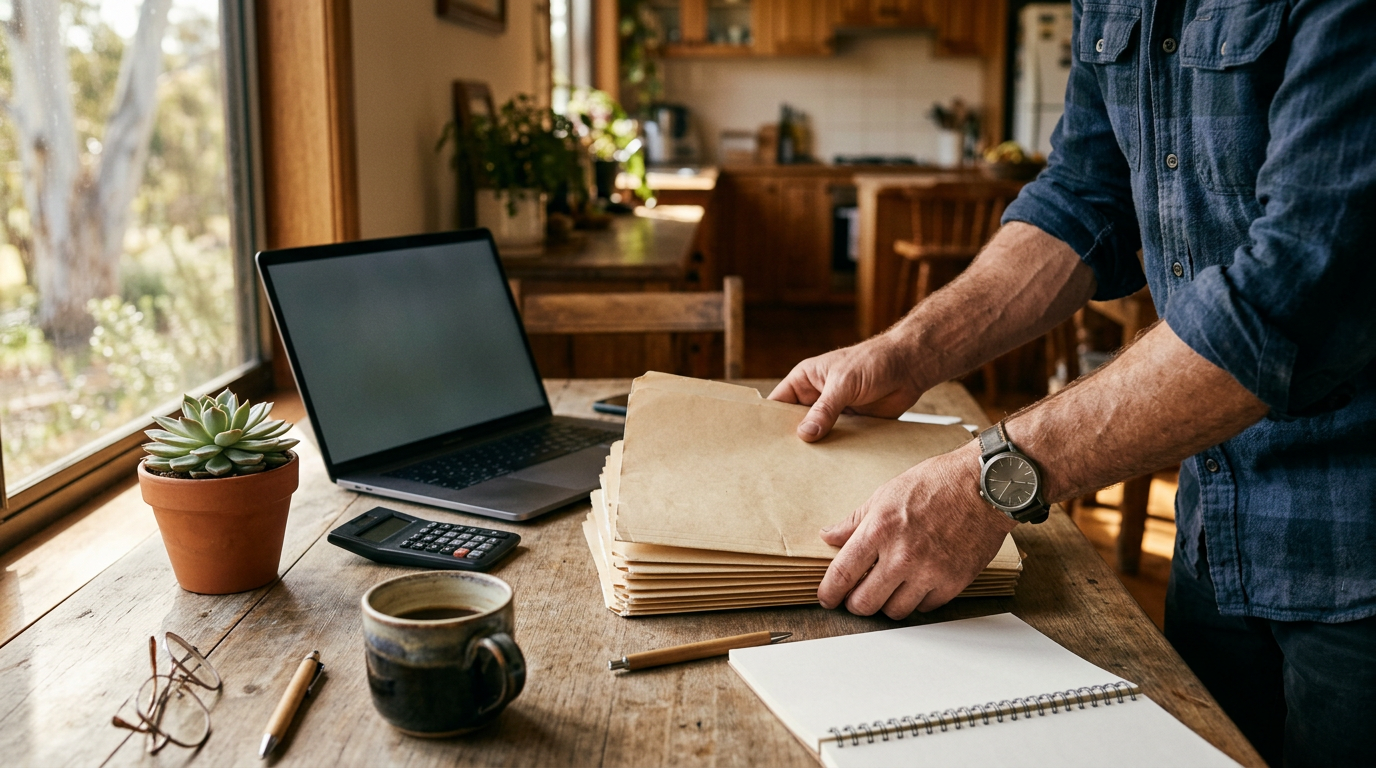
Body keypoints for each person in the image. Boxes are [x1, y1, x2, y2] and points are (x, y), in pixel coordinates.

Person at [768, 1, 1375, 766]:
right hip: (1218, 527)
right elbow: (1085, 197)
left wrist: (989, 479)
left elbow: (1296, 295)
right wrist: (907, 351)